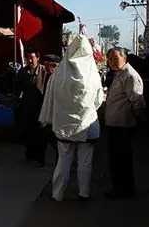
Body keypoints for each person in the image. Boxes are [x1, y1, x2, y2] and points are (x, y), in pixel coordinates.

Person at [40, 36, 104, 201]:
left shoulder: (58, 74)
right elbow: (98, 101)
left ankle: (57, 194)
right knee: (85, 162)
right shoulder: (93, 75)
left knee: (63, 161)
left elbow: (50, 98)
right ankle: (84, 193)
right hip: (87, 126)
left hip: (64, 126)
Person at [105, 47, 146, 199]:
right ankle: (119, 188)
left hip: (123, 125)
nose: (111, 62)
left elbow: (137, 101)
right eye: (109, 59)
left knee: (122, 160)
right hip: (115, 125)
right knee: (116, 159)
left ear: (124, 58)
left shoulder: (129, 75)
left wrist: (137, 120)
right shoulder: (119, 74)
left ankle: (124, 190)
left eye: (115, 58)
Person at [17, 49, 47, 167]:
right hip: (27, 107)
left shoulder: (44, 71)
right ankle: (30, 154)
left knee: (40, 133)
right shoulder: (23, 72)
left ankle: (40, 158)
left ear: (38, 58)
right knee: (28, 131)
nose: (30, 60)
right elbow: (18, 87)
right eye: (28, 58)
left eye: (32, 58)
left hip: (40, 107)